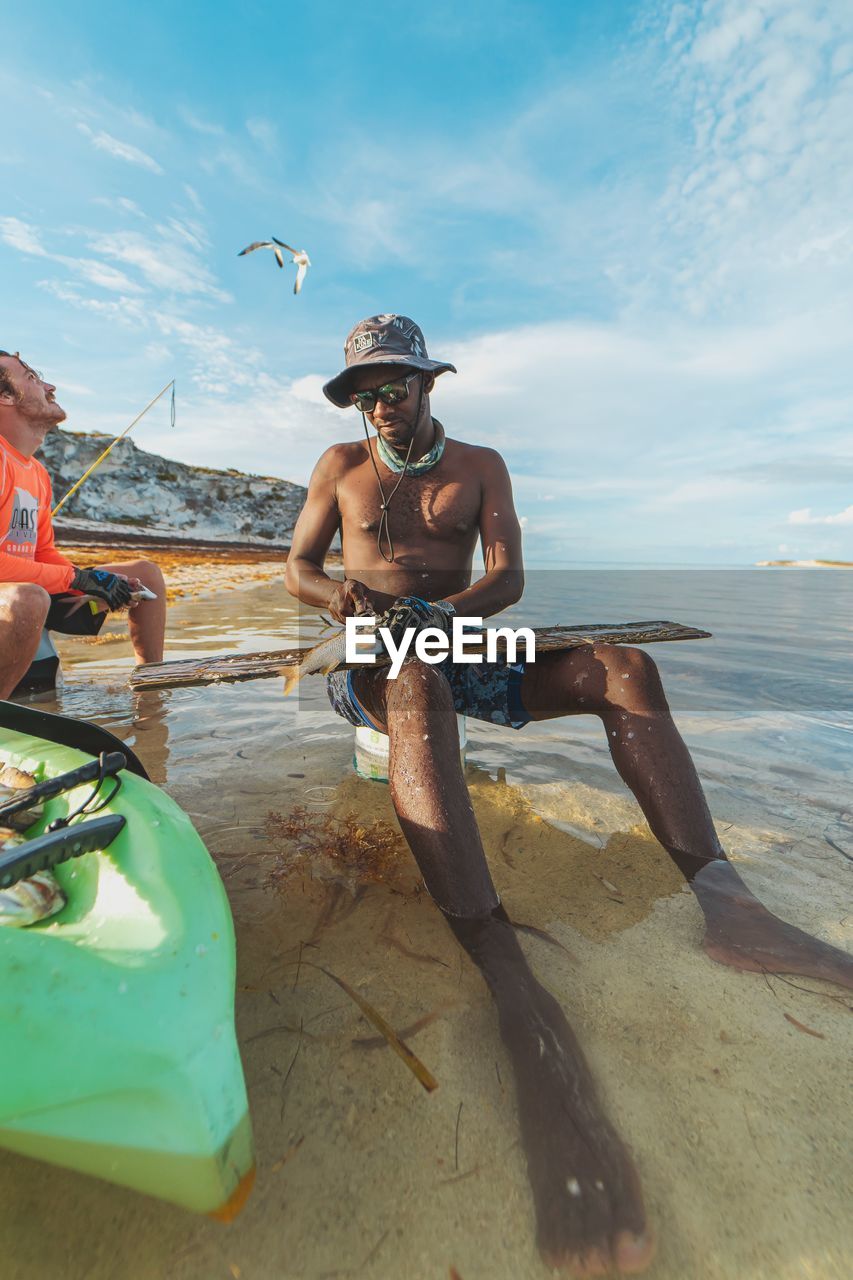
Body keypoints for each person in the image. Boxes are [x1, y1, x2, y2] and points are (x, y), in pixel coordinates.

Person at [285, 315, 852, 1276]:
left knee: (622, 668)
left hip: (452, 631)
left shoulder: (479, 463)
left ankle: (728, 904)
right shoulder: (338, 461)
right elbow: (296, 568)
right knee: (414, 676)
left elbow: (506, 581)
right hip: (374, 658)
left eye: (397, 383)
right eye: (367, 388)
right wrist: (340, 598)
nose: (384, 401)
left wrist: (444, 613)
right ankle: (512, 984)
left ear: (428, 383)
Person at [0, 350, 166, 701]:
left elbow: (42, 553)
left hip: (26, 596)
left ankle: (151, 697)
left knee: (145, 575)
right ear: (5, 396)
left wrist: (97, 582)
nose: (50, 386)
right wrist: (77, 579)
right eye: (31, 377)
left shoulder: (37, 473)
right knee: (29, 597)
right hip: (19, 600)